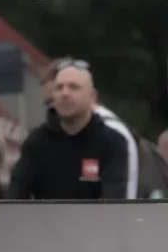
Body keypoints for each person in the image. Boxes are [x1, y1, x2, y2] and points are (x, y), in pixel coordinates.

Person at [8, 63, 130, 199]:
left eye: (74, 87)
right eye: (59, 88)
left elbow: (114, 201)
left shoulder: (112, 141)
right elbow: (15, 196)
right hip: (46, 219)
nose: (65, 94)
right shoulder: (36, 142)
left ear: (92, 96)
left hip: (94, 219)